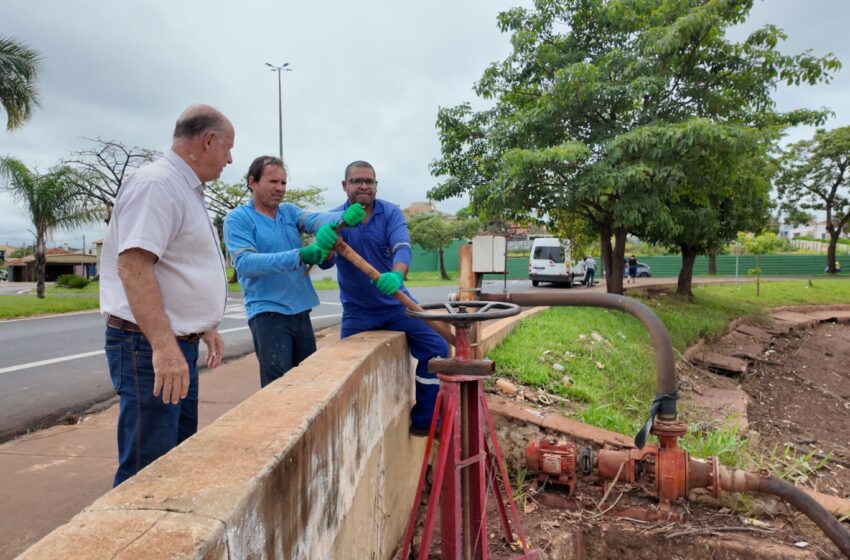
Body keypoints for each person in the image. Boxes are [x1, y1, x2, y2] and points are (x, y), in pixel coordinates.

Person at [99, 104, 233, 486]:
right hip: (147, 346)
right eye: (227, 147)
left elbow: (177, 265)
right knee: (148, 468)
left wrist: (203, 325)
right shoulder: (158, 184)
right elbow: (134, 267)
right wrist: (163, 346)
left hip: (173, 344)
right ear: (207, 141)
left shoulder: (185, 188)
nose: (230, 158)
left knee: (175, 459)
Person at [328, 160, 449, 436]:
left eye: (369, 181)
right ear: (344, 185)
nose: (363, 186)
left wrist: (397, 275)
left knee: (439, 347)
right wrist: (327, 238)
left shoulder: (391, 212)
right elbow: (324, 261)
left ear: (375, 186)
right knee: (346, 370)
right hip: (358, 312)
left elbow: (402, 248)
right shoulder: (335, 219)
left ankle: (426, 421)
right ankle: (354, 431)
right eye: (357, 181)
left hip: (398, 306)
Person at [223, 156, 364, 388]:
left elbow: (315, 219)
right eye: (273, 181)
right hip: (268, 314)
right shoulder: (238, 218)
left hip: (300, 311)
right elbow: (246, 263)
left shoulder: (287, 212)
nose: (280, 188)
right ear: (252, 182)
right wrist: (299, 255)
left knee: (307, 383)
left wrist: (343, 216)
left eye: (283, 183)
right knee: (279, 388)